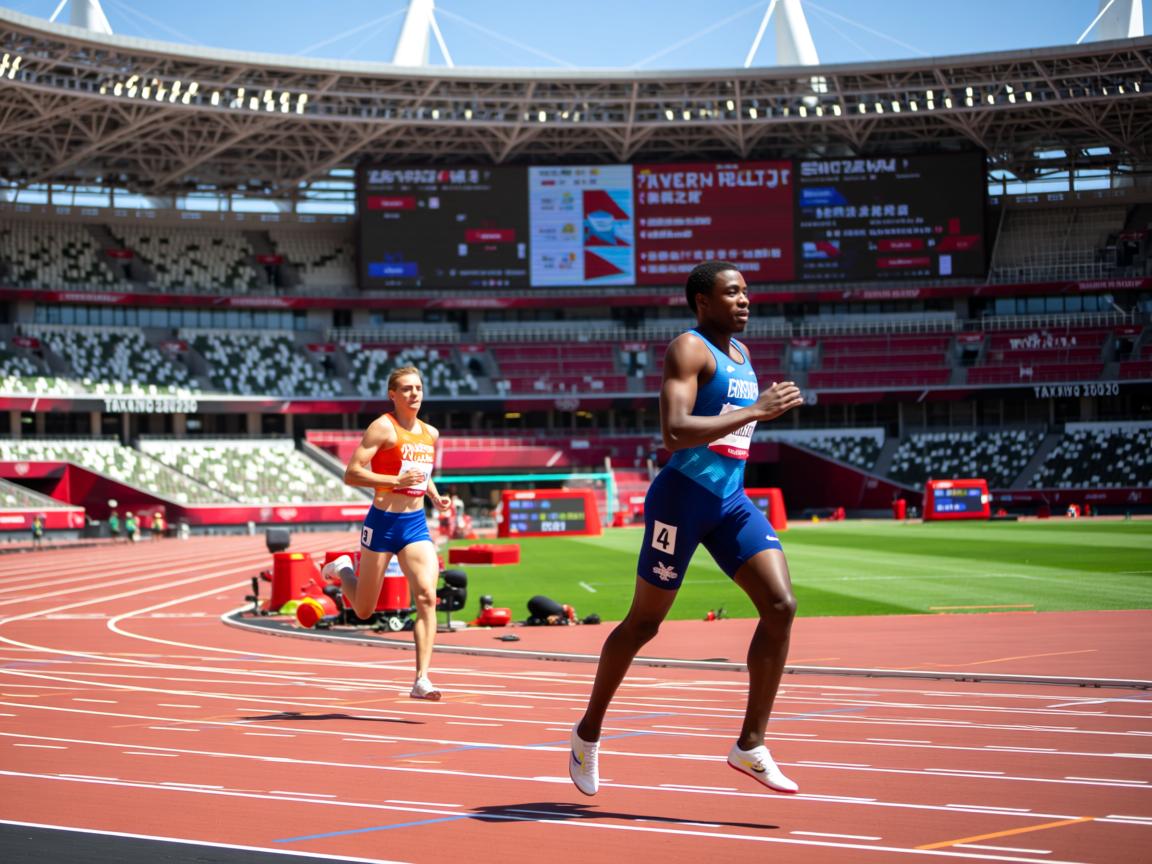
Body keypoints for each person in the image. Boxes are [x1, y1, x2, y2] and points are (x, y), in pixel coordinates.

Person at [569, 261, 805, 797]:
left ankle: (750, 745)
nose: (746, 299)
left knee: (781, 605)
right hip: (681, 501)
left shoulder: (741, 355)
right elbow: (674, 432)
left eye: (747, 290)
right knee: (644, 624)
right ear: (702, 300)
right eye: (733, 292)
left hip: (731, 501)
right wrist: (759, 409)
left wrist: (759, 410)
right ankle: (588, 733)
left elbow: (730, 428)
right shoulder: (688, 349)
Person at [323, 366, 452, 700]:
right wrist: (394, 482)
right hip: (382, 523)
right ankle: (342, 569)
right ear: (392, 395)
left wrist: (434, 495)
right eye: (407, 389)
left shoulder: (430, 433)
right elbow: (352, 474)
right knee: (365, 609)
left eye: (419, 388)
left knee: (426, 596)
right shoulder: (383, 427)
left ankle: (421, 679)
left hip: (415, 525)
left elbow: (421, 473)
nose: (414, 394)